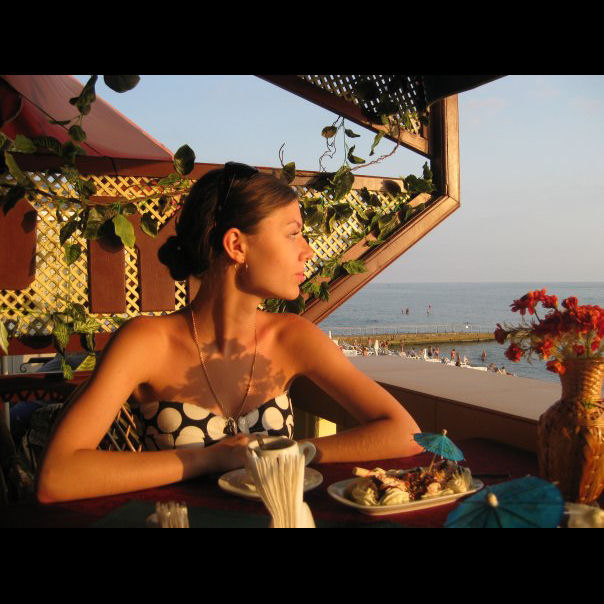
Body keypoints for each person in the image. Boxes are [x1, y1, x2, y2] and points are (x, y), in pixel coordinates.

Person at [36, 163, 422, 503]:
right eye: (293, 233)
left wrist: (291, 451)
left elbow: (404, 432)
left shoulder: (293, 337)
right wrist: (211, 458)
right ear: (236, 245)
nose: (307, 250)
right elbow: (58, 476)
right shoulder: (147, 342)